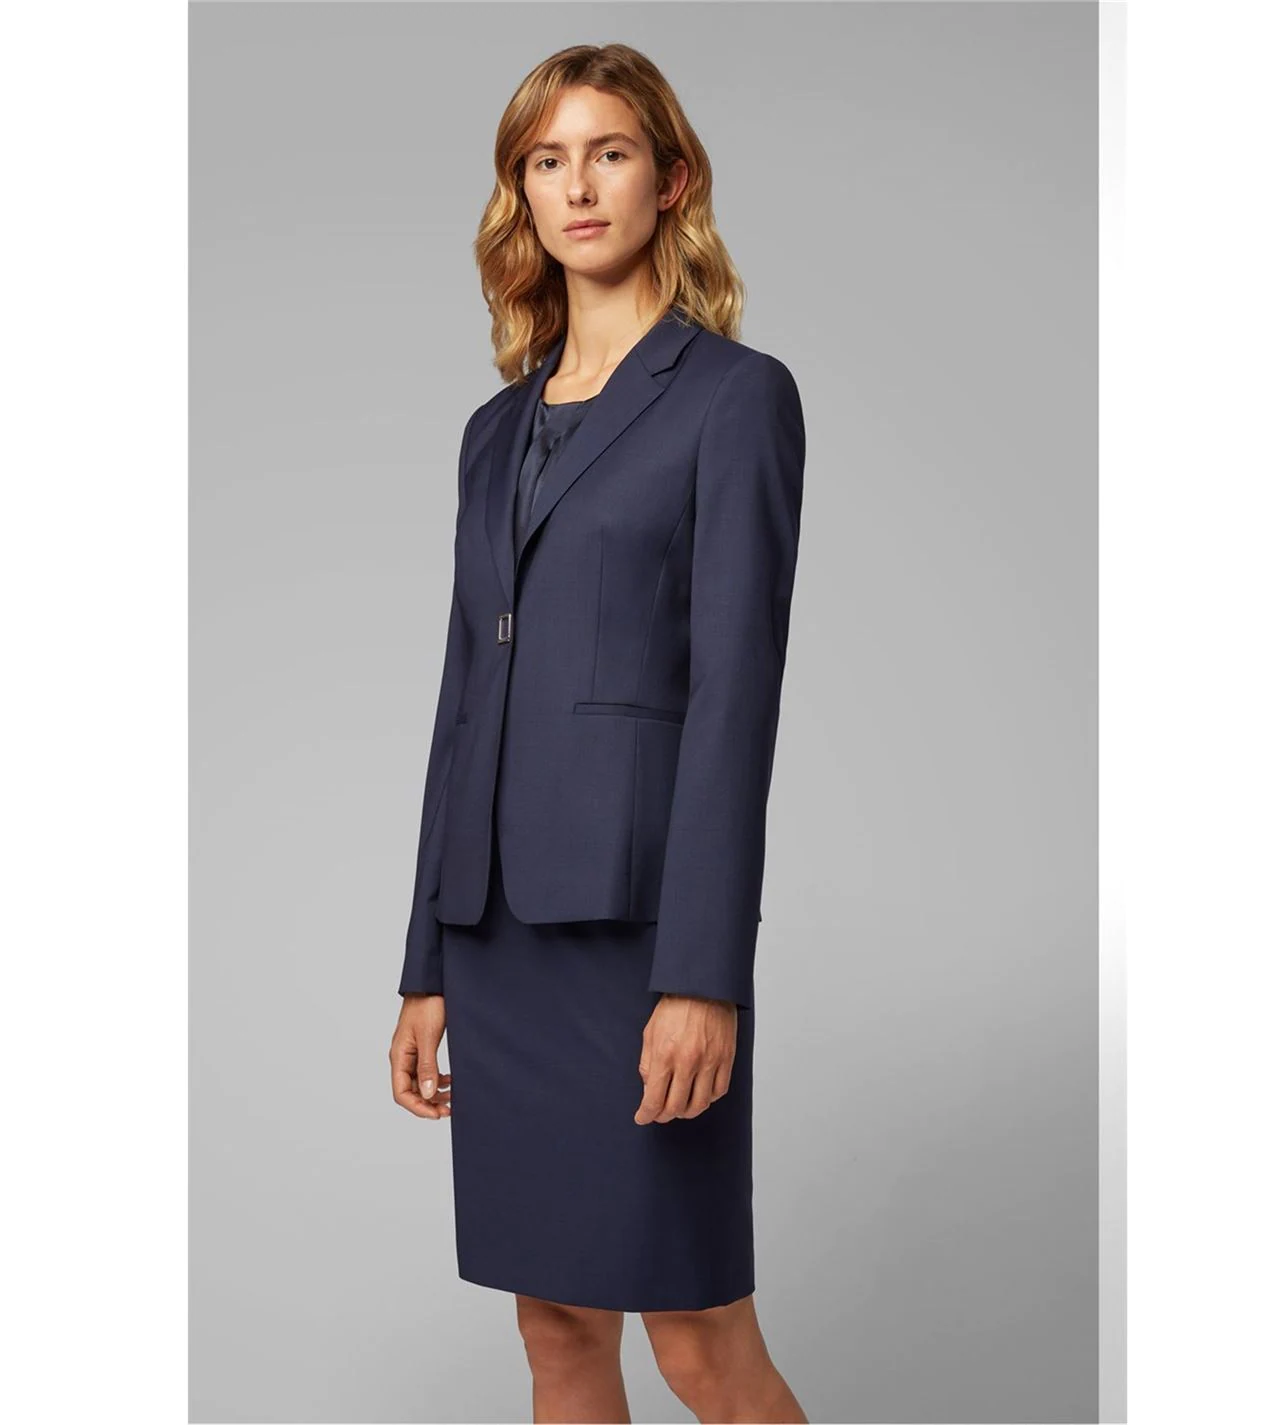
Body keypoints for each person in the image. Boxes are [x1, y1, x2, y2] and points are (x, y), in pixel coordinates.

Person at [389, 42, 808, 1424]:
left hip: (640, 941)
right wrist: (427, 961)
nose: (577, 186)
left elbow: (736, 701)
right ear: (521, 190)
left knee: (699, 1344)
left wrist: (704, 976)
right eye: (547, 159)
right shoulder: (491, 432)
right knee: (558, 1333)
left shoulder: (736, 398)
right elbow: (463, 697)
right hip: (498, 942)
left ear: (669, 179)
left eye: (609, 153)